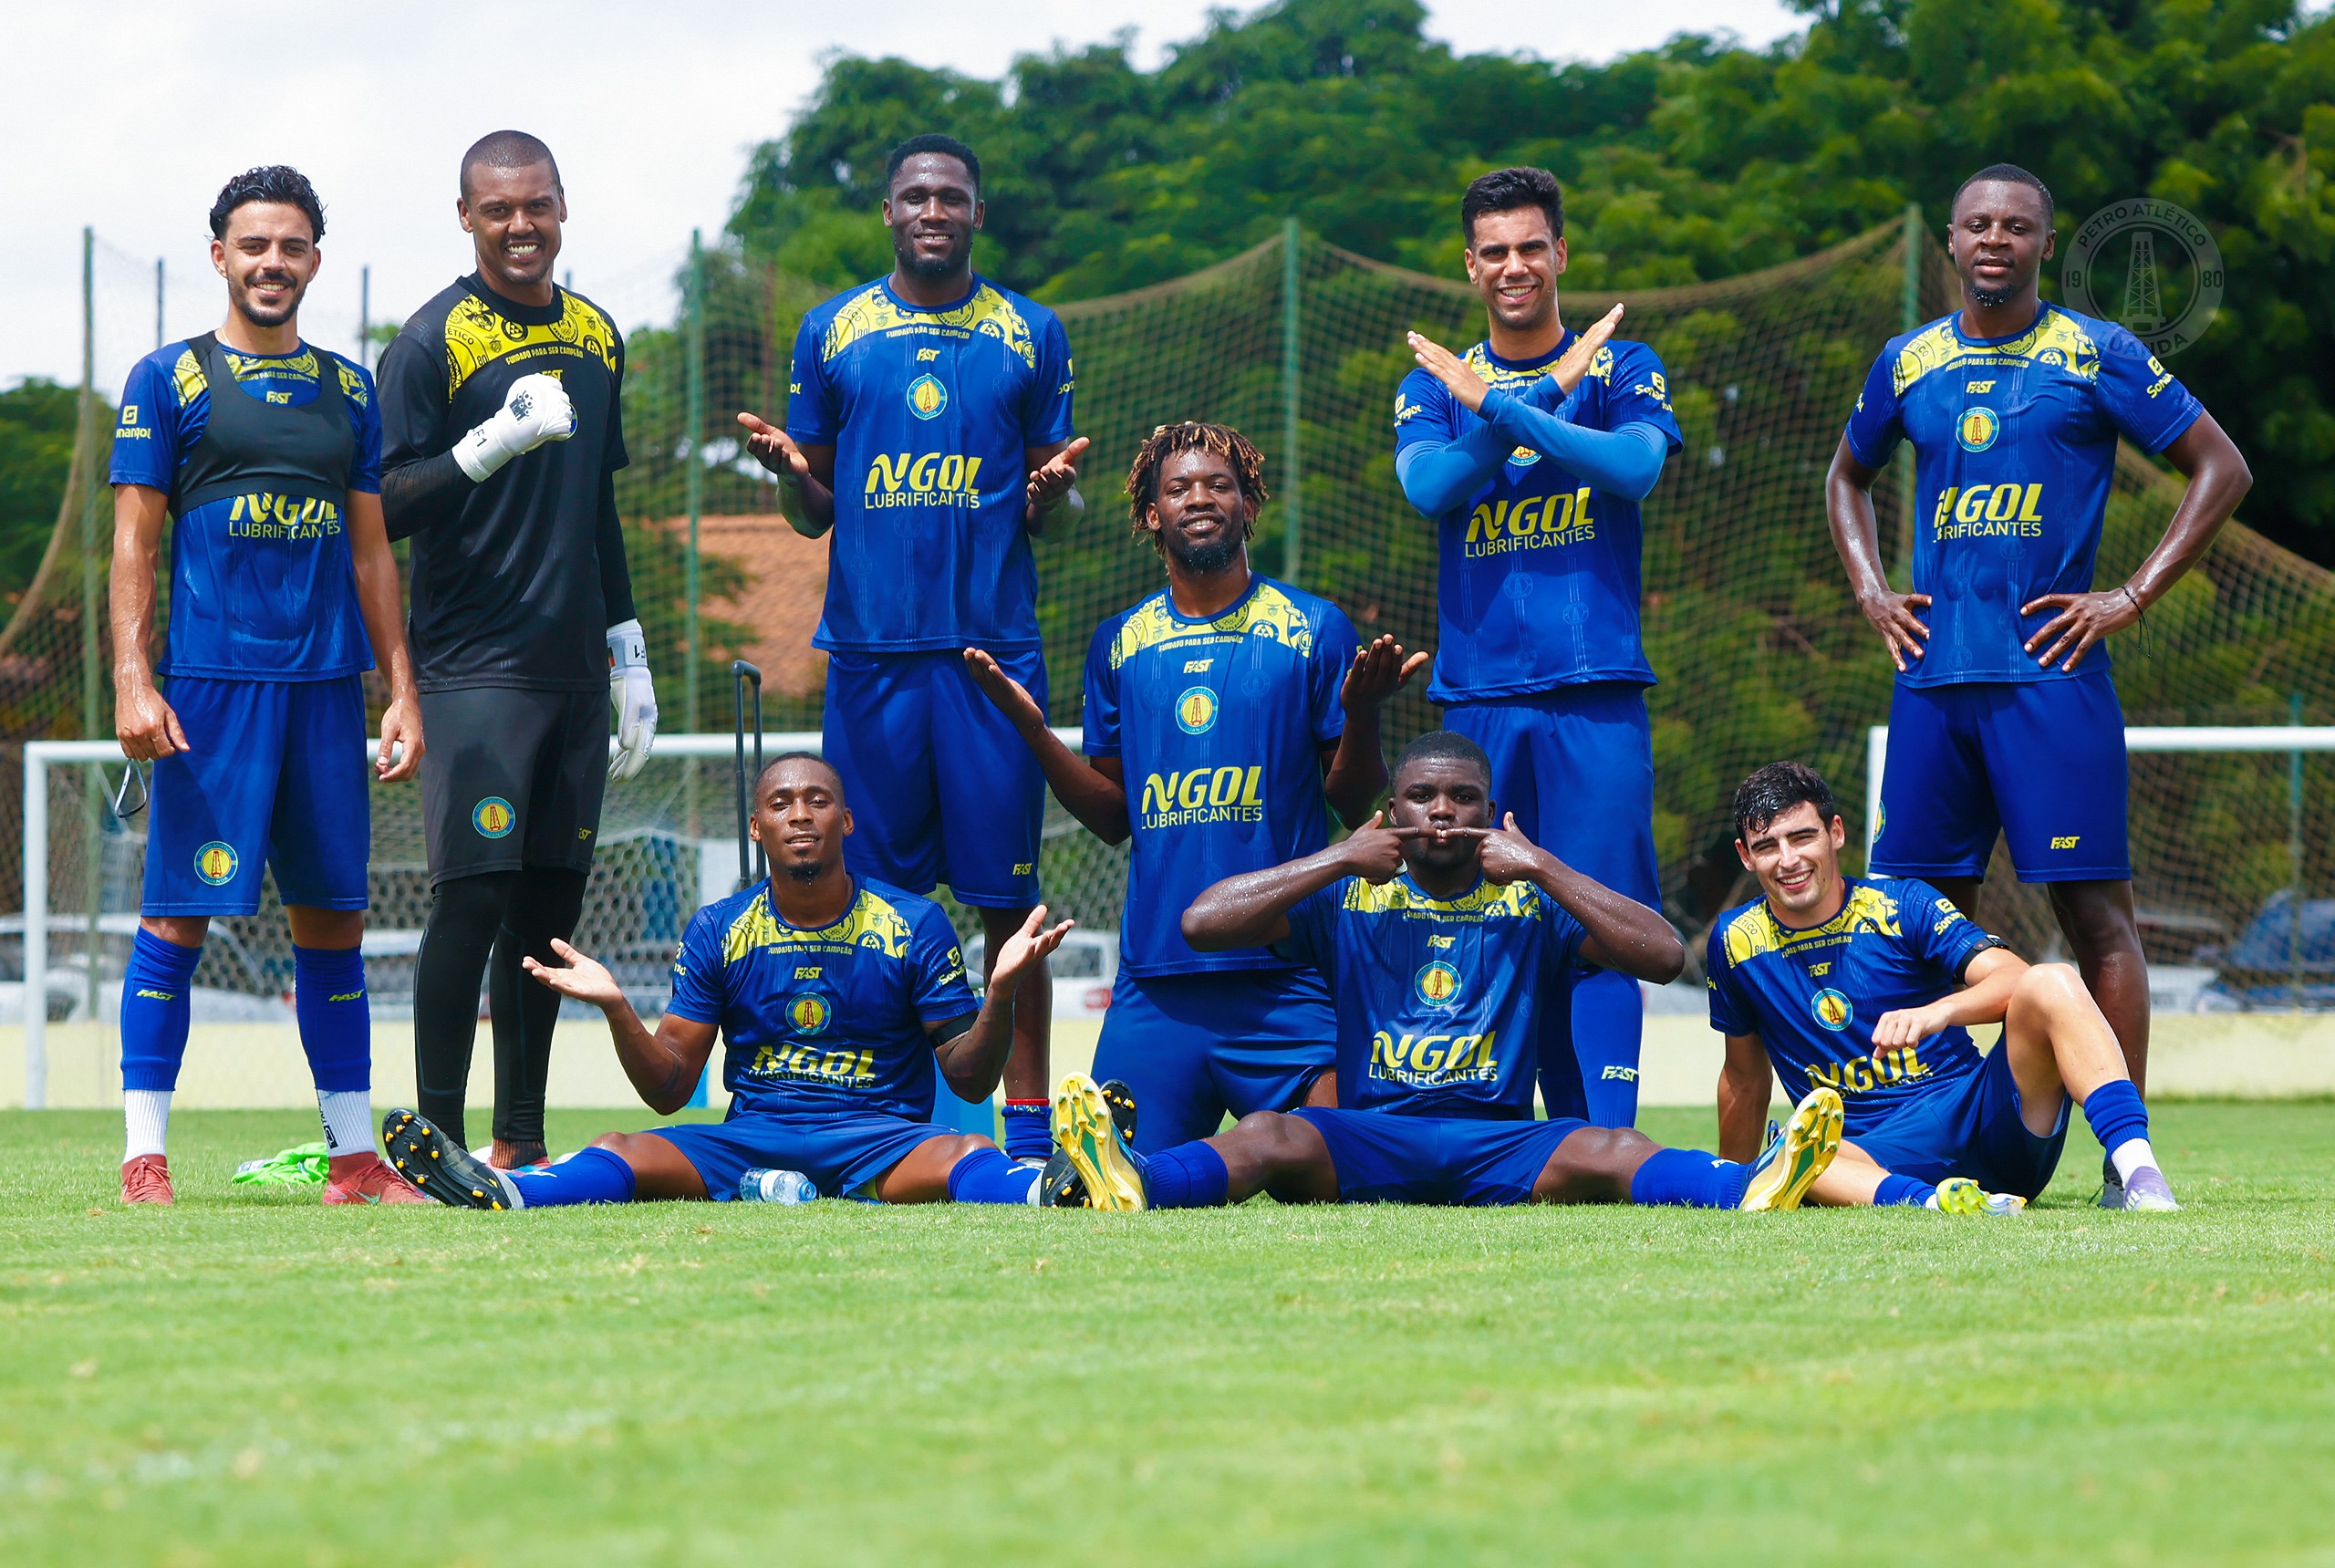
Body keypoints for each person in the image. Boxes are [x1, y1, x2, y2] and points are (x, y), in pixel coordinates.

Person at [1824, 162, 2250, 1205]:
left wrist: (2131, 595)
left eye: (2014, 227)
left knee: (2095, 918)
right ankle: (1933, 1142)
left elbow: (2221, 466)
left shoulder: (2095, 352)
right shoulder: (1908, 360)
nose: (1993, 240)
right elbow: (1846, 476)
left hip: (2050, 682)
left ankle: (2123, 1162)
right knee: (1916, 921)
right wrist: (1872, 590)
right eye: (1976, 224)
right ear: (1952, 240)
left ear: (2044, 245)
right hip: (1931, 685)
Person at [1045, 732, 1843, 1214]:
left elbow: (1664, 955)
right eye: (1421, 795)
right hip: (1373, 1138)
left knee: (1614, 1145)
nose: (1440, 810)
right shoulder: (1351, 895)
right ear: (1392, 811)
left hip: (1501, 1142)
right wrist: (1336, 857)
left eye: (1462, 797)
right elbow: (1200, 922)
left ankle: (1746, 1187)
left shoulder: (1529, 899)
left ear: (1489, 814)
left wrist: (1542, 864)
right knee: (1266, 1132)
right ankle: (1137, 1179)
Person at [736, 132, 1082, 1162]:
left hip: (989, 660)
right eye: (916, 195)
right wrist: (789, 475)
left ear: (977, 213)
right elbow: (812, 513)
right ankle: (882, 1123)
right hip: (872, 658)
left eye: (952, 196)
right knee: (874, 908)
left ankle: (1027, 1137)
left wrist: (1051, 497)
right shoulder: (833, 329)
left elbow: (1046, 509)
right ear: (889, 212)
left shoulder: (1031, 331)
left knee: (1009, 904)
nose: (934, 209)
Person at [965, 421, 1422, 1159]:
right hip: (1157, 987)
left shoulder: (1314, 627)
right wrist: (1035, 731)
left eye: (1219, 485)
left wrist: (1364, 714)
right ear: (1153, 514)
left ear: (1249, 505)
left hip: (1283, 981)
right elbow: (1112, 817)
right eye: (1178, 488)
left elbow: (1352, 801)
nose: (1200, 498)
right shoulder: (1119, 643)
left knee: (1351, 1168)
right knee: (1103, 1188)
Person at [108, 165, 425, 1205]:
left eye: (290, 246)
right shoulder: (170, 379)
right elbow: (133, 544)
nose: (272, 262)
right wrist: (132, 680)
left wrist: (402, 689)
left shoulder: (350, 390)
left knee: (334, 924)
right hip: (211, 695)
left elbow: (372, 553)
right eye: (253, 245)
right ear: (221, 257)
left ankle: (354, 1162)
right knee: (177, 918)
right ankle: (144, 1159)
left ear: (314, 262)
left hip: (325, 693)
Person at [383, 753, 1070, 1209]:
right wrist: (619, 1009)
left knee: (970, 1150)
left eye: (818, 801)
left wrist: (1000, 993)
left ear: (846, 821)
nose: (799, 814)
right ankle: (504, 1190)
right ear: (757, 826)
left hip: (881, 1140)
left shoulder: (914, 922)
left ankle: (1050, 1188)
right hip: (754, 1138)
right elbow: (669, 1090)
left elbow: (970, 1081)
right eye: (781, 803)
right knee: (619, 1147)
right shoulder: (719, 926)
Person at [378, 130, 654, 1169]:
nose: (520, 226)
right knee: (473, 898)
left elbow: (599, 507)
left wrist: (627, 648)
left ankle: (519, 1143)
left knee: (546, 917)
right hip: (472, 671)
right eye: (497, 210)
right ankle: (436, 1144)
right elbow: (382, 504)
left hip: (575, 671)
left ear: (563, 206)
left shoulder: (598, 334)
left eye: (536, 205)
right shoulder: (429, 341)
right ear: (465, 217)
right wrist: (488, 443)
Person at [1395, 166, 1682, 1130]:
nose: (1513, 266)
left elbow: (1633, 468)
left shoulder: (1622, 364)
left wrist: (1513, 405)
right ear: (1469, 266)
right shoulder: (1433, 383)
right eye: (1494, 252)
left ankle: (1605, 1143)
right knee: (1481, 920)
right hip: (1476, 704)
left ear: (1560, 253)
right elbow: (1432, 489)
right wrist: (1518, 398)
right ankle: (1487, 1137)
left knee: (1598, 923)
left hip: (1595, 697)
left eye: (1530, 247)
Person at [1708, 762, 2179, 1212]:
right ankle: (1942, 1204)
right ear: (1746, 856)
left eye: (1802, 837)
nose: (1788, 860)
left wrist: (1937, 1012)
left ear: (1836, 832)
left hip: (1982, 1124)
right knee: (1791, 1153)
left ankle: (2140, 1176)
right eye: (1767, 846)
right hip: (1871, 1158)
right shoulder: (1735, 942)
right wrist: (1730, 1180)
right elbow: (1744, 1078)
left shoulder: (1903, 904)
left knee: (2052, 980)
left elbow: (2013, 978)